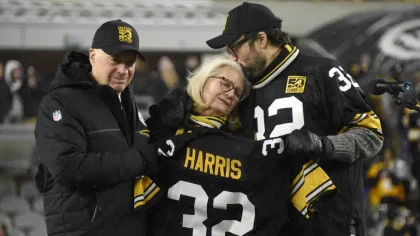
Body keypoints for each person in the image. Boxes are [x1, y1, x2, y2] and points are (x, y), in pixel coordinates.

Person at [205, 2, 384, 236]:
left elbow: (371, 135)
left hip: (330, 224)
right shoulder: (243, 92)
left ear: (261, 39)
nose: (233, 58)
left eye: (235, 47)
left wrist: (322, 145)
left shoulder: (322, 71)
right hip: (273, 226)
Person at [140, 56, 336, 236]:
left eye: (238, 93)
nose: (230, 94)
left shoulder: (247, 145)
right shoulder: (162, 128)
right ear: (204, 78)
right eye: (225, 83)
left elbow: (317, 198)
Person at [35, 19, 157, 236]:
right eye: (115, 60)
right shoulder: (59, 103)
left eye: (129, 63)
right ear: (92, 56)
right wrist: (140, 160)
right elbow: (70, 169)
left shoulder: (126, 100)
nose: (123, 70)